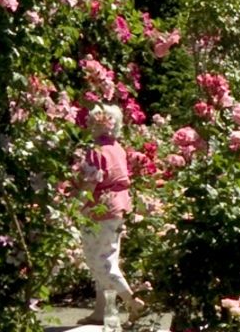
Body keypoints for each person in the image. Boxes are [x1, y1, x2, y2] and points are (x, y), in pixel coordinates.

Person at [77, 103, 144, 325]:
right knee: (108, 257)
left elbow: (90, 184)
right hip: (118, 207)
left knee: (101, 261)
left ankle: (132, 302)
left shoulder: (95, 151)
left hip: (99, 209)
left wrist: (76, 208)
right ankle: (101, 311)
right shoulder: (117, 148)